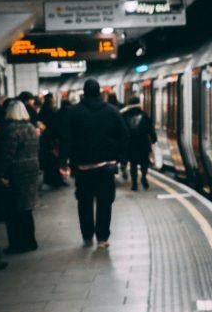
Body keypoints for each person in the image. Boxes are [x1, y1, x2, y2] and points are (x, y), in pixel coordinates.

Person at [62, 78, 127, 248]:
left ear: (84, 93)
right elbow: (124, 136)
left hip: (82, 168)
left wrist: (63, 161)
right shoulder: (112, 111)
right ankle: (103, 238)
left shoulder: (73, 112)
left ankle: (87, 236)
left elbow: (66, 139)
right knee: (105, 202)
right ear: (99, 92)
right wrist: (120, 158)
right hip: (106, 167)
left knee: (84, 202)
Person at [0, 99, 41, 254]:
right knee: (26, 208)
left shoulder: (10, 130)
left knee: (13, 210)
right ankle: (30, 241)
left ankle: (17, 244)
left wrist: (2, 173)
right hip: (32, 168)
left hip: (16, 171)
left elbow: (7, 155)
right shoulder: (31, 127)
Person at [120, 94, 156, 190]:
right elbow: (151, 130)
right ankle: (143, 176)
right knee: (144, 163)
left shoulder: (125, 116)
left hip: (131, 144)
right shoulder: (145, 116)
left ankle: (134, 184)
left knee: (133, 164)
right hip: (143, 143)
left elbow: (122, 131)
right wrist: (154, 139)